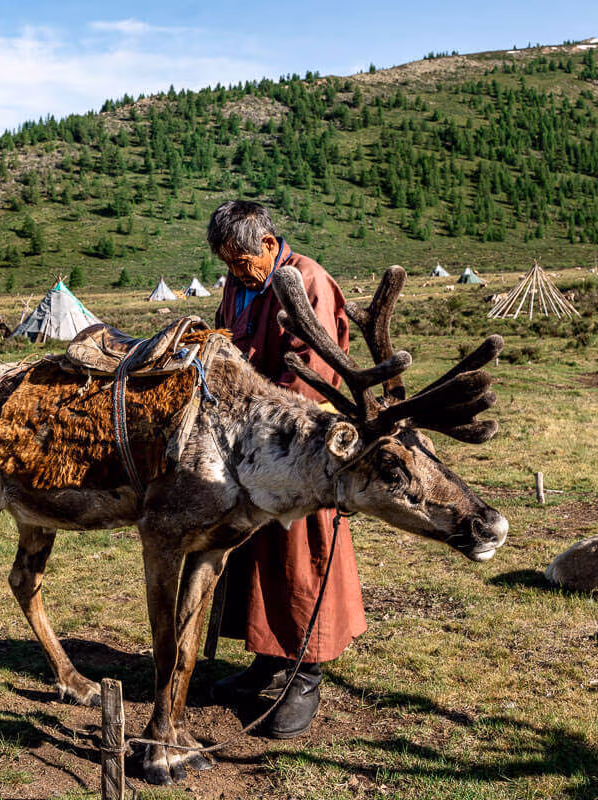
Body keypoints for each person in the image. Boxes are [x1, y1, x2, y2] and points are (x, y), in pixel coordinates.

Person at [208, 199, 367, 739]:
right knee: (256, 554)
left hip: (298, 442)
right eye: (228, 264)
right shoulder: (237, 282)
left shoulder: (309, 284)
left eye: (242, 262)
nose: (235, 273)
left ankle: (306, 673)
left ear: (270, 245)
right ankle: (267, 659)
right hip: (249, 442)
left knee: (301, 556)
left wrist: (253, 400)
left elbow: (310, 375)